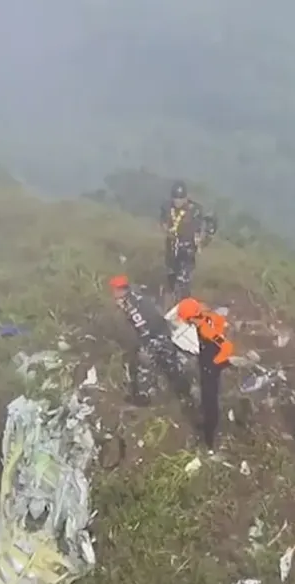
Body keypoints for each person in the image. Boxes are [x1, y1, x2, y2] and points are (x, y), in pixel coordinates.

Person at [109, 274, 191, 404]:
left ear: (120, 289)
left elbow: (141, 324)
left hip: (155, 337)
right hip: (157, 335)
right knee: (165, 366)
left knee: (164, 367)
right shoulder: (135, 297)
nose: (113, 293)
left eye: (114, 289)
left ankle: (183, 396)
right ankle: (182, 394)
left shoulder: (130, 303)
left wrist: (144, 342)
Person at [176, 296, 234, 451]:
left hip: (211, 367)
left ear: (190, 318)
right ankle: (207, 426)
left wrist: (215, 364)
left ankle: (210, 439)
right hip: (207, 362)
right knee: (205, 396)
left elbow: (227, 347)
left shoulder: (205, 330)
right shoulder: (205, 316)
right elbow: (218, 320)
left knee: (210, 401)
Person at [159, 181, 218, 304]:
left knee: (183, 281)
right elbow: (163, 221)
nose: (178, 201)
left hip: (187, 249)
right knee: (171, 277)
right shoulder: (167, 207)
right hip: (171, 247)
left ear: (186, 197)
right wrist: (167, 229)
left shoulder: (195, 209)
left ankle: (184, 305)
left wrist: (202, 239)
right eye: (175, 198)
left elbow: (210, 223)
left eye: (180, 198)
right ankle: (171, 303)